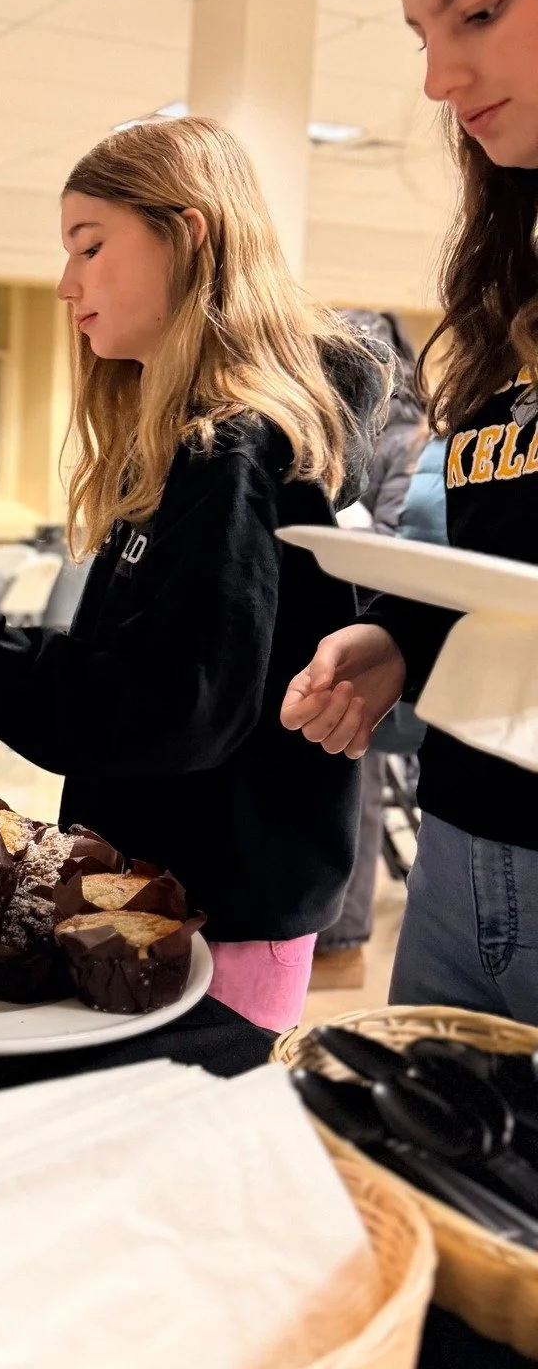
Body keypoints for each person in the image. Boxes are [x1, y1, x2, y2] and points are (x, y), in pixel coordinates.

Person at [0, 117, 387, 1033]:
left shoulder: (236, 452)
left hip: (219, 916)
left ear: (189, 235)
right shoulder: (186, 447)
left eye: (91, 246)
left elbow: (163, 707)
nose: (65, 284)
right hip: (157, 894)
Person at [283, 0, 538, 1022]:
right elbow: (497, 558)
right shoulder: (513, 271)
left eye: (481, 13)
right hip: (463, 847)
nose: (439, 78)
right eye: (423, 33)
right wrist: (402, 636)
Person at [311, 310, 430, 991]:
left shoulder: (408, 440)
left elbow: (397, 544)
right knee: (347, 783)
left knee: (354, 788)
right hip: (351, 628)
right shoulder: (351, 431)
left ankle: (342, 942)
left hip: (378, 636)